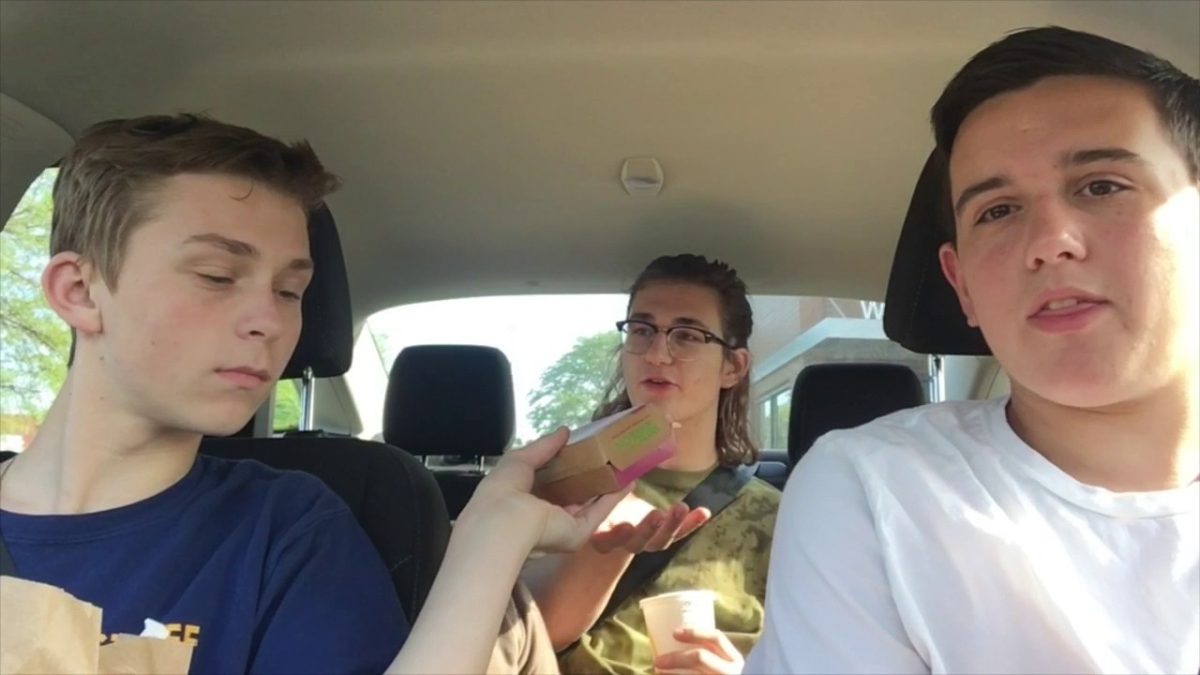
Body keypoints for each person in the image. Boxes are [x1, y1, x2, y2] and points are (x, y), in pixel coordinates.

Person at [0, 113, 623, 675]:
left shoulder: (287, 529)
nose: (269, 321)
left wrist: (494, 532)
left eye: (289, 292)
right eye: (218, 276)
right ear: (79, 290)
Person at [745, 26, 1199, 674]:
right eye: (998, 210)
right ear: (963, 287)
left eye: (1101, 185)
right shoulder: (879, 493)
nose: (1050, 240)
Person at [523, 254, 782, 675]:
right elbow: (518, 636)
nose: (658, 354)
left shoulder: (784, 519)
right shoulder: (561, 486)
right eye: (642, 330)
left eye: (687, 335)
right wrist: (599, 551)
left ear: (733, 366)